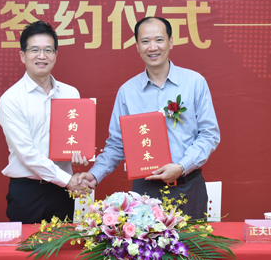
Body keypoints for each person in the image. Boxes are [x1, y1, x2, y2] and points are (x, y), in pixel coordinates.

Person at [78, 16, 220, 219]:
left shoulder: (194, 82)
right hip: (144, 191)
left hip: (188, 187)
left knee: (192, 241)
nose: (152, 47)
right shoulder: (127, 92)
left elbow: (208, 134)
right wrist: (95, 174)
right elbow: (117, 143)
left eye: (159, 40)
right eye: (145, 41)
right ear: (137, 46)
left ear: (171, 42)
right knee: (144, 241)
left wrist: (181, 167)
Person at [0, 20, 91, 224]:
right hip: (27, 193)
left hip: (62, 191)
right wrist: (67, 180)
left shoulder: (70, 93)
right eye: (35, 50)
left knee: (63, 243)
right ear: (22, 55)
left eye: (48, 50)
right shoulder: (11, 99)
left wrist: (79, 153)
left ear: (55, 55)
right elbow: (27, 153)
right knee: (25, 245)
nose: (42, 56)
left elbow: (72, 139)